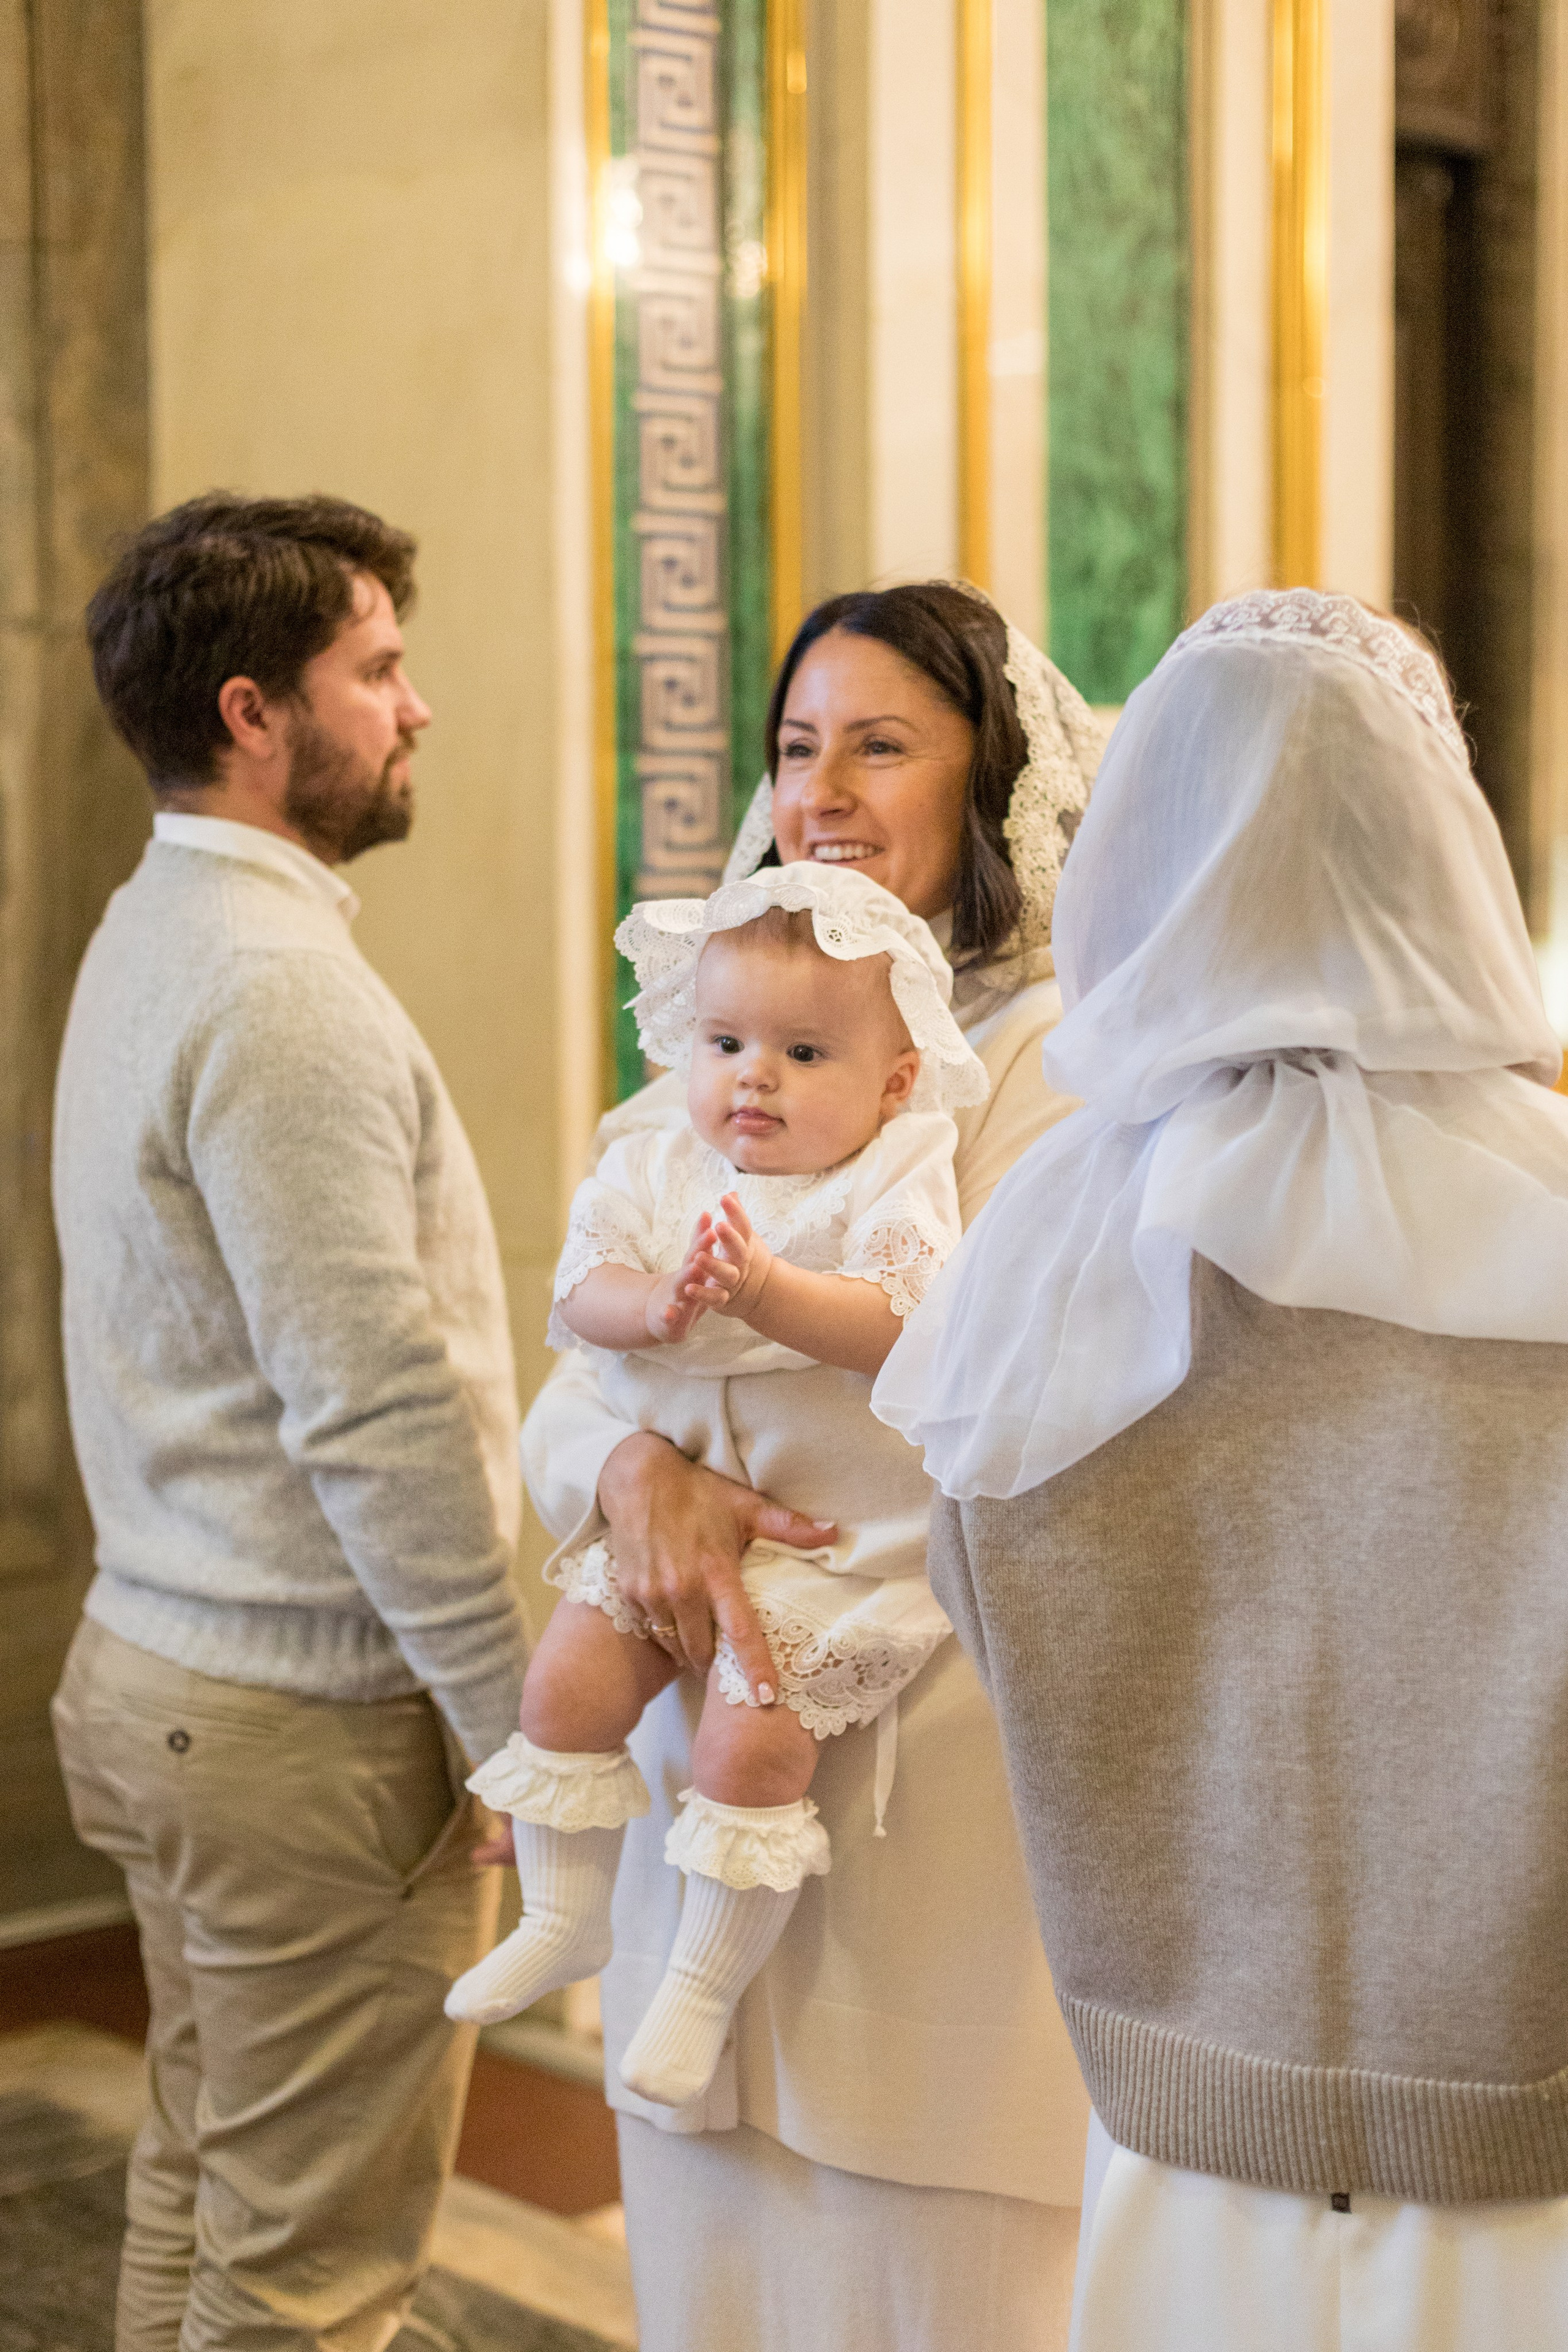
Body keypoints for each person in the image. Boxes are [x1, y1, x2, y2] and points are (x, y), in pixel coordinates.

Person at [882, 587, 1568, 2350]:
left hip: (1182, 2136)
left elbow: (965, 1580)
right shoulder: (1547, 1207)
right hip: (1530, 2143)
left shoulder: (1051, 1239)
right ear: (1444, 853)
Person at [521, 581, 1102, 2351]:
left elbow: (1030, 1407)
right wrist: (633, 1482)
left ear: (990, 782)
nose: (824, 788)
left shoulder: (1058, 1066)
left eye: (880, 744)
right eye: (796, 747)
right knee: (716, 2278)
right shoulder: (732, 1022)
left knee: (923, 2284)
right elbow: (576, 1352)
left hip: (927, 1796)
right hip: (697, 1734)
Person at [50, 494, 528, 2352]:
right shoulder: (279, 988)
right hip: (296, 1722)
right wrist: (512, 1722)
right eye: (380, 669)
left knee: (205, 2178)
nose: (417, 709)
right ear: (257, 714)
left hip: (163, 1673)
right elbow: (372, 1401)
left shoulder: (153, 924)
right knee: (310, 2283)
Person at [449, 865, 985, 2114]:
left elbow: (914, 1323)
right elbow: (580, 1300)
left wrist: (763, 1295)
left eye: (802, 1052)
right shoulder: (659, 1161)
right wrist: (660, 1304)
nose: (753, 1077)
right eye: (727, 1041)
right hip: (669, 1513)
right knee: (566, 1684)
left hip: (829, 1546)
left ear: (894, 1080)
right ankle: (564, 1916)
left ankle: (700, 1983)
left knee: (753, 1749)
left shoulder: (894, 1167)